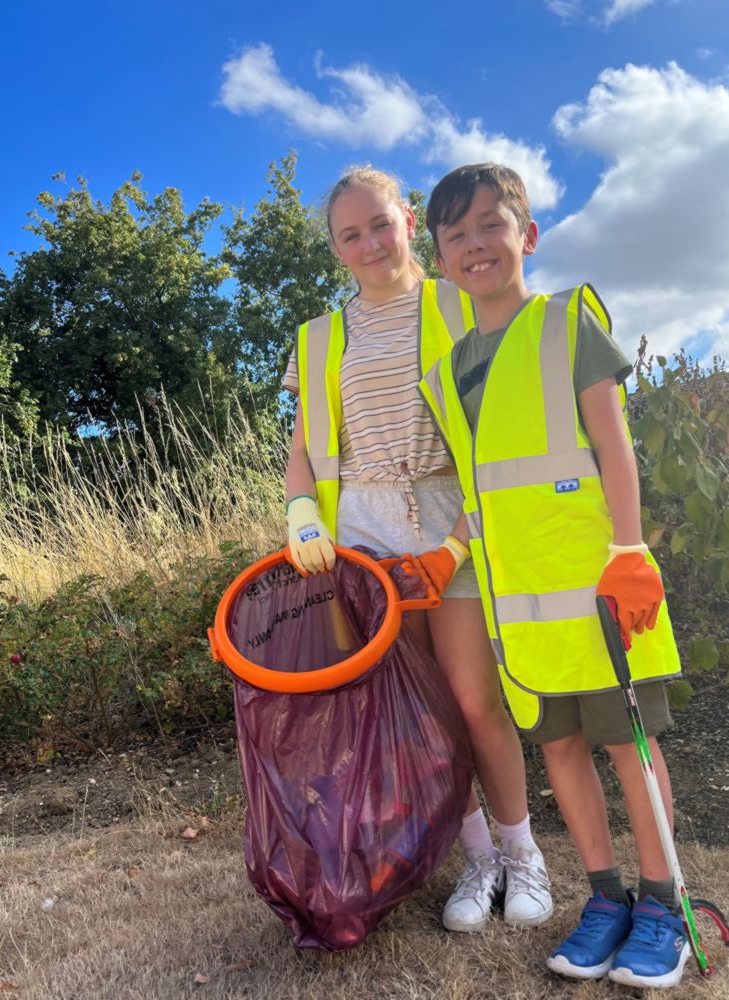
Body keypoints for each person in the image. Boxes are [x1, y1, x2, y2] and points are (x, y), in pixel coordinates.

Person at [416, 163, 687, 989]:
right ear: (439, 260)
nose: (475, 245)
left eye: (490, 226)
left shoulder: (570, 324)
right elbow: (485, 489)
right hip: (521, 612)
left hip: (602, 592)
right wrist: (453, 550)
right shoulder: (447, 372)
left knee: (627, 745)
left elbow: (613, 447)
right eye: (455, 235)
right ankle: (604, 901)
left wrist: (631, 553)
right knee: (562, 749)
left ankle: (663, 906)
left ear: (525, 236)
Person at [282, 166, 553, 932]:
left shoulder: (461, 301)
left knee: (475, 699)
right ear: (336, 249)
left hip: (452, 518)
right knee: (424, 713)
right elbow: (304, 445)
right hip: (365, 538)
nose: (368, 243)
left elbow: (503, 416)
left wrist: (460, 544)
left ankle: (524, 855)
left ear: (407, 220)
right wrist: (302, 511)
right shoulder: (318, 338)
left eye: (379, 224)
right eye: (349, 235)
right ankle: (477, 863)